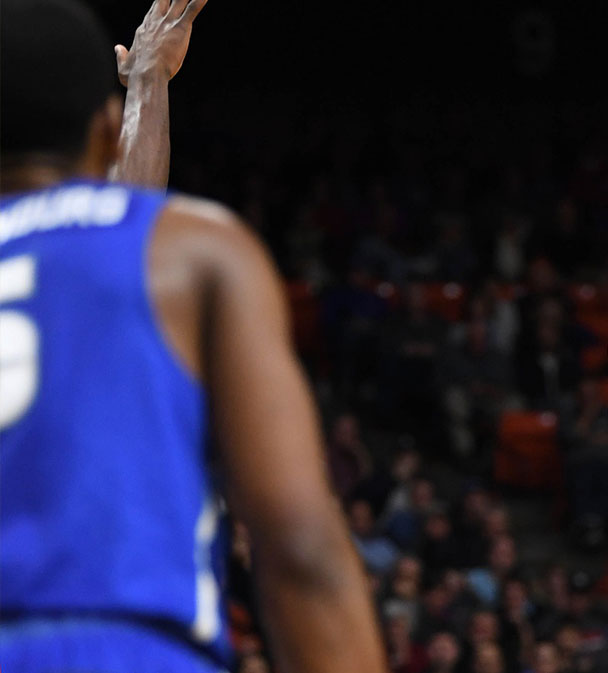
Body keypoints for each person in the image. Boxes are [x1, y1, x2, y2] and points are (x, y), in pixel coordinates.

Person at [0, 1, 386, 672]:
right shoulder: (195, 252)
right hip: (133, 638)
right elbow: (298, 544)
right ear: (102, 131)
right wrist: (147, 84)